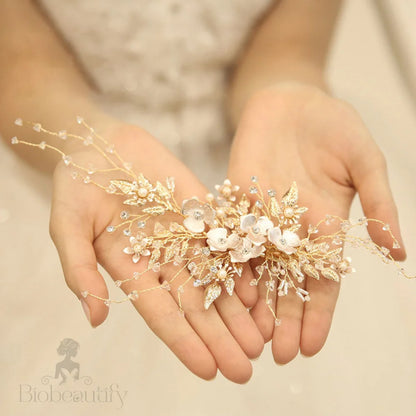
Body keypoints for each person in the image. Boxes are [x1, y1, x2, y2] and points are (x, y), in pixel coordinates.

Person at [0, 0, 406, 384]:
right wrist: (82, 141)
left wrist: (288, 88)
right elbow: (24, 70)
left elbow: (287, 52)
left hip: (267, 154)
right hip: (96, 168)